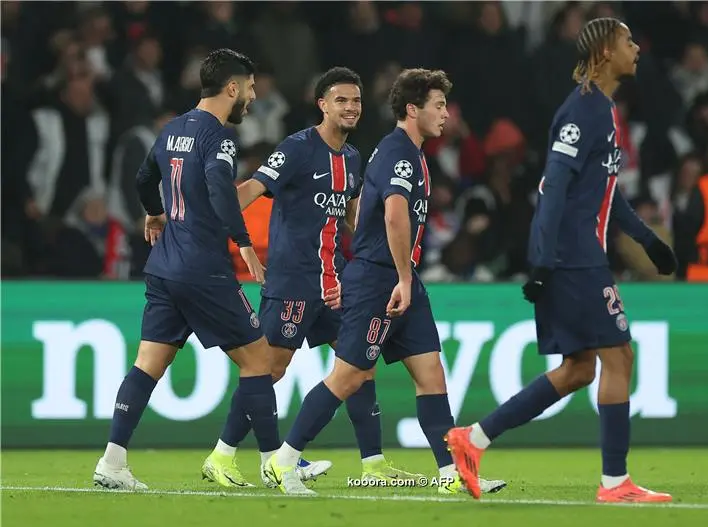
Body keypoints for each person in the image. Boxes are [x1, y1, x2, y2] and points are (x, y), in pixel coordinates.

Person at [445, 18, 677, 503]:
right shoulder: (583, 112)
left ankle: (473, 438)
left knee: (579, 369)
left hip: (577, 255)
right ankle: (615, 483)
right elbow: (551, 190)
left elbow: (605, 194)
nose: (636, 47)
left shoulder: (603, 111)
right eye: (628, 40)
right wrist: (542, 261)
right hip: (573, 258)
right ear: (604, 53)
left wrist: (648, 241)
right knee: (619, 356)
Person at [261, 68, 506, 496]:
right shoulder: (397, 152)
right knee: (349, 377)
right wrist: (403, 280)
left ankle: (452, 474)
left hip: (398, 278)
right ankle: (283, 461)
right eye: (439, 106)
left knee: (432, 375)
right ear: (413, 110)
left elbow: (368, 216)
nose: (446, 114)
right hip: (382, 280)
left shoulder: (412, 153)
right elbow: (394, 216)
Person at [201, 67, 424, 487]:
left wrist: (375, 246)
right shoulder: (298, 148)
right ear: (322, 105)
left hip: (334, 283)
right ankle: (222, 455)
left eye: (356, 100)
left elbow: (350, 215)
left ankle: (374, 464)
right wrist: (209, 219)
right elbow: (250, 189)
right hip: (293, 280)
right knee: (270, 369)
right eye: (341, 100)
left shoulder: (353, 157)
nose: (351, 107)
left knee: (359, 366)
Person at [92, 48, 280, 490]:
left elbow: (143, 178)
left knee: (148, 363)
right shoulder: (219, 137)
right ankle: (278, 463)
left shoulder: (172, 128)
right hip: (203, 268)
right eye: (250, 88)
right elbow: (220, 189)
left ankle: (112, 462)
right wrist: (246, 243)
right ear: (232, 88)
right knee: (259, 359)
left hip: (164, 266)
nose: (252, 97)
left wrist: (155, 211)